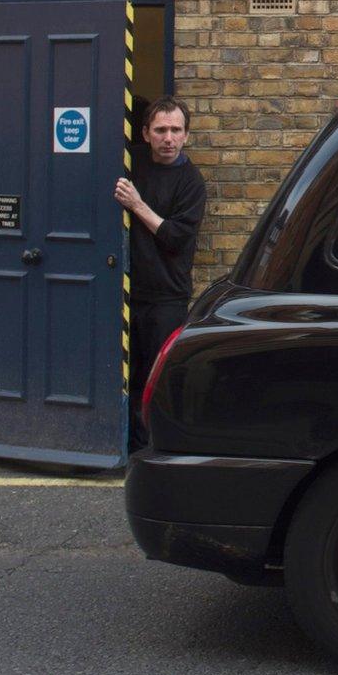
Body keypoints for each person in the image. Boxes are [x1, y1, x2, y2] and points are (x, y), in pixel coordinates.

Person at [113, 97, 207, 448]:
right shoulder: (130, 162)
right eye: (161, 130)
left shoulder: (191, 182)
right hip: (125, 290)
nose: (168, 138)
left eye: (176, 130)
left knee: (157, 377)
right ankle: (126, 444)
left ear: (186, 136)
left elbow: (175, 237)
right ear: (145, 134)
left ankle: (153, 447)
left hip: (167, 295)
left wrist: (136, 205)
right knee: (127, 374)